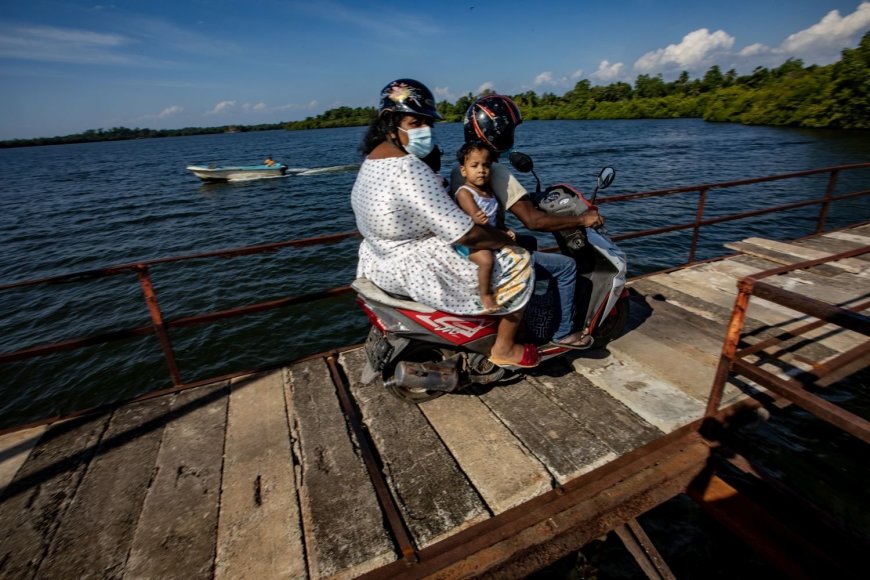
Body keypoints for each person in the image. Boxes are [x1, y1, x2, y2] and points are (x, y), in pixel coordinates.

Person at [351, 79, 539, 368]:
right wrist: (505, 239)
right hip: (413, 266)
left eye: (428, 123)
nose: (424, 131)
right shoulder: (408, 168)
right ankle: (504, 347)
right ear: (391, 124)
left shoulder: (372, 160)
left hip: (378, 259)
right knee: (520, 259)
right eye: (415, 123)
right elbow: (467, 234)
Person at [451, 94, 603, 349]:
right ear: (497, 132)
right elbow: (533, 220)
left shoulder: (463, 167)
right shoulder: (495, 170)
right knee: (566, 267)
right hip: (487, 246)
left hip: (475, 241)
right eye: (510, 129)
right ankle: (564, 332)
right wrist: (582, 219)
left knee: (529, 242)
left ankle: (524, 306)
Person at [453, 140, 516, 314]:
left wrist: (504, 229)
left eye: (486, 165)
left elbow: (495, 218)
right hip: (472, 242)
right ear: (463, 170)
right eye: (474, 165)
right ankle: (485, 294)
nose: (481, 170)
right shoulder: (464, 192)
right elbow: (474, 215)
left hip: (490, 235)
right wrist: (477, 216)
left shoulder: (489, 192)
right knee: (486, 260)